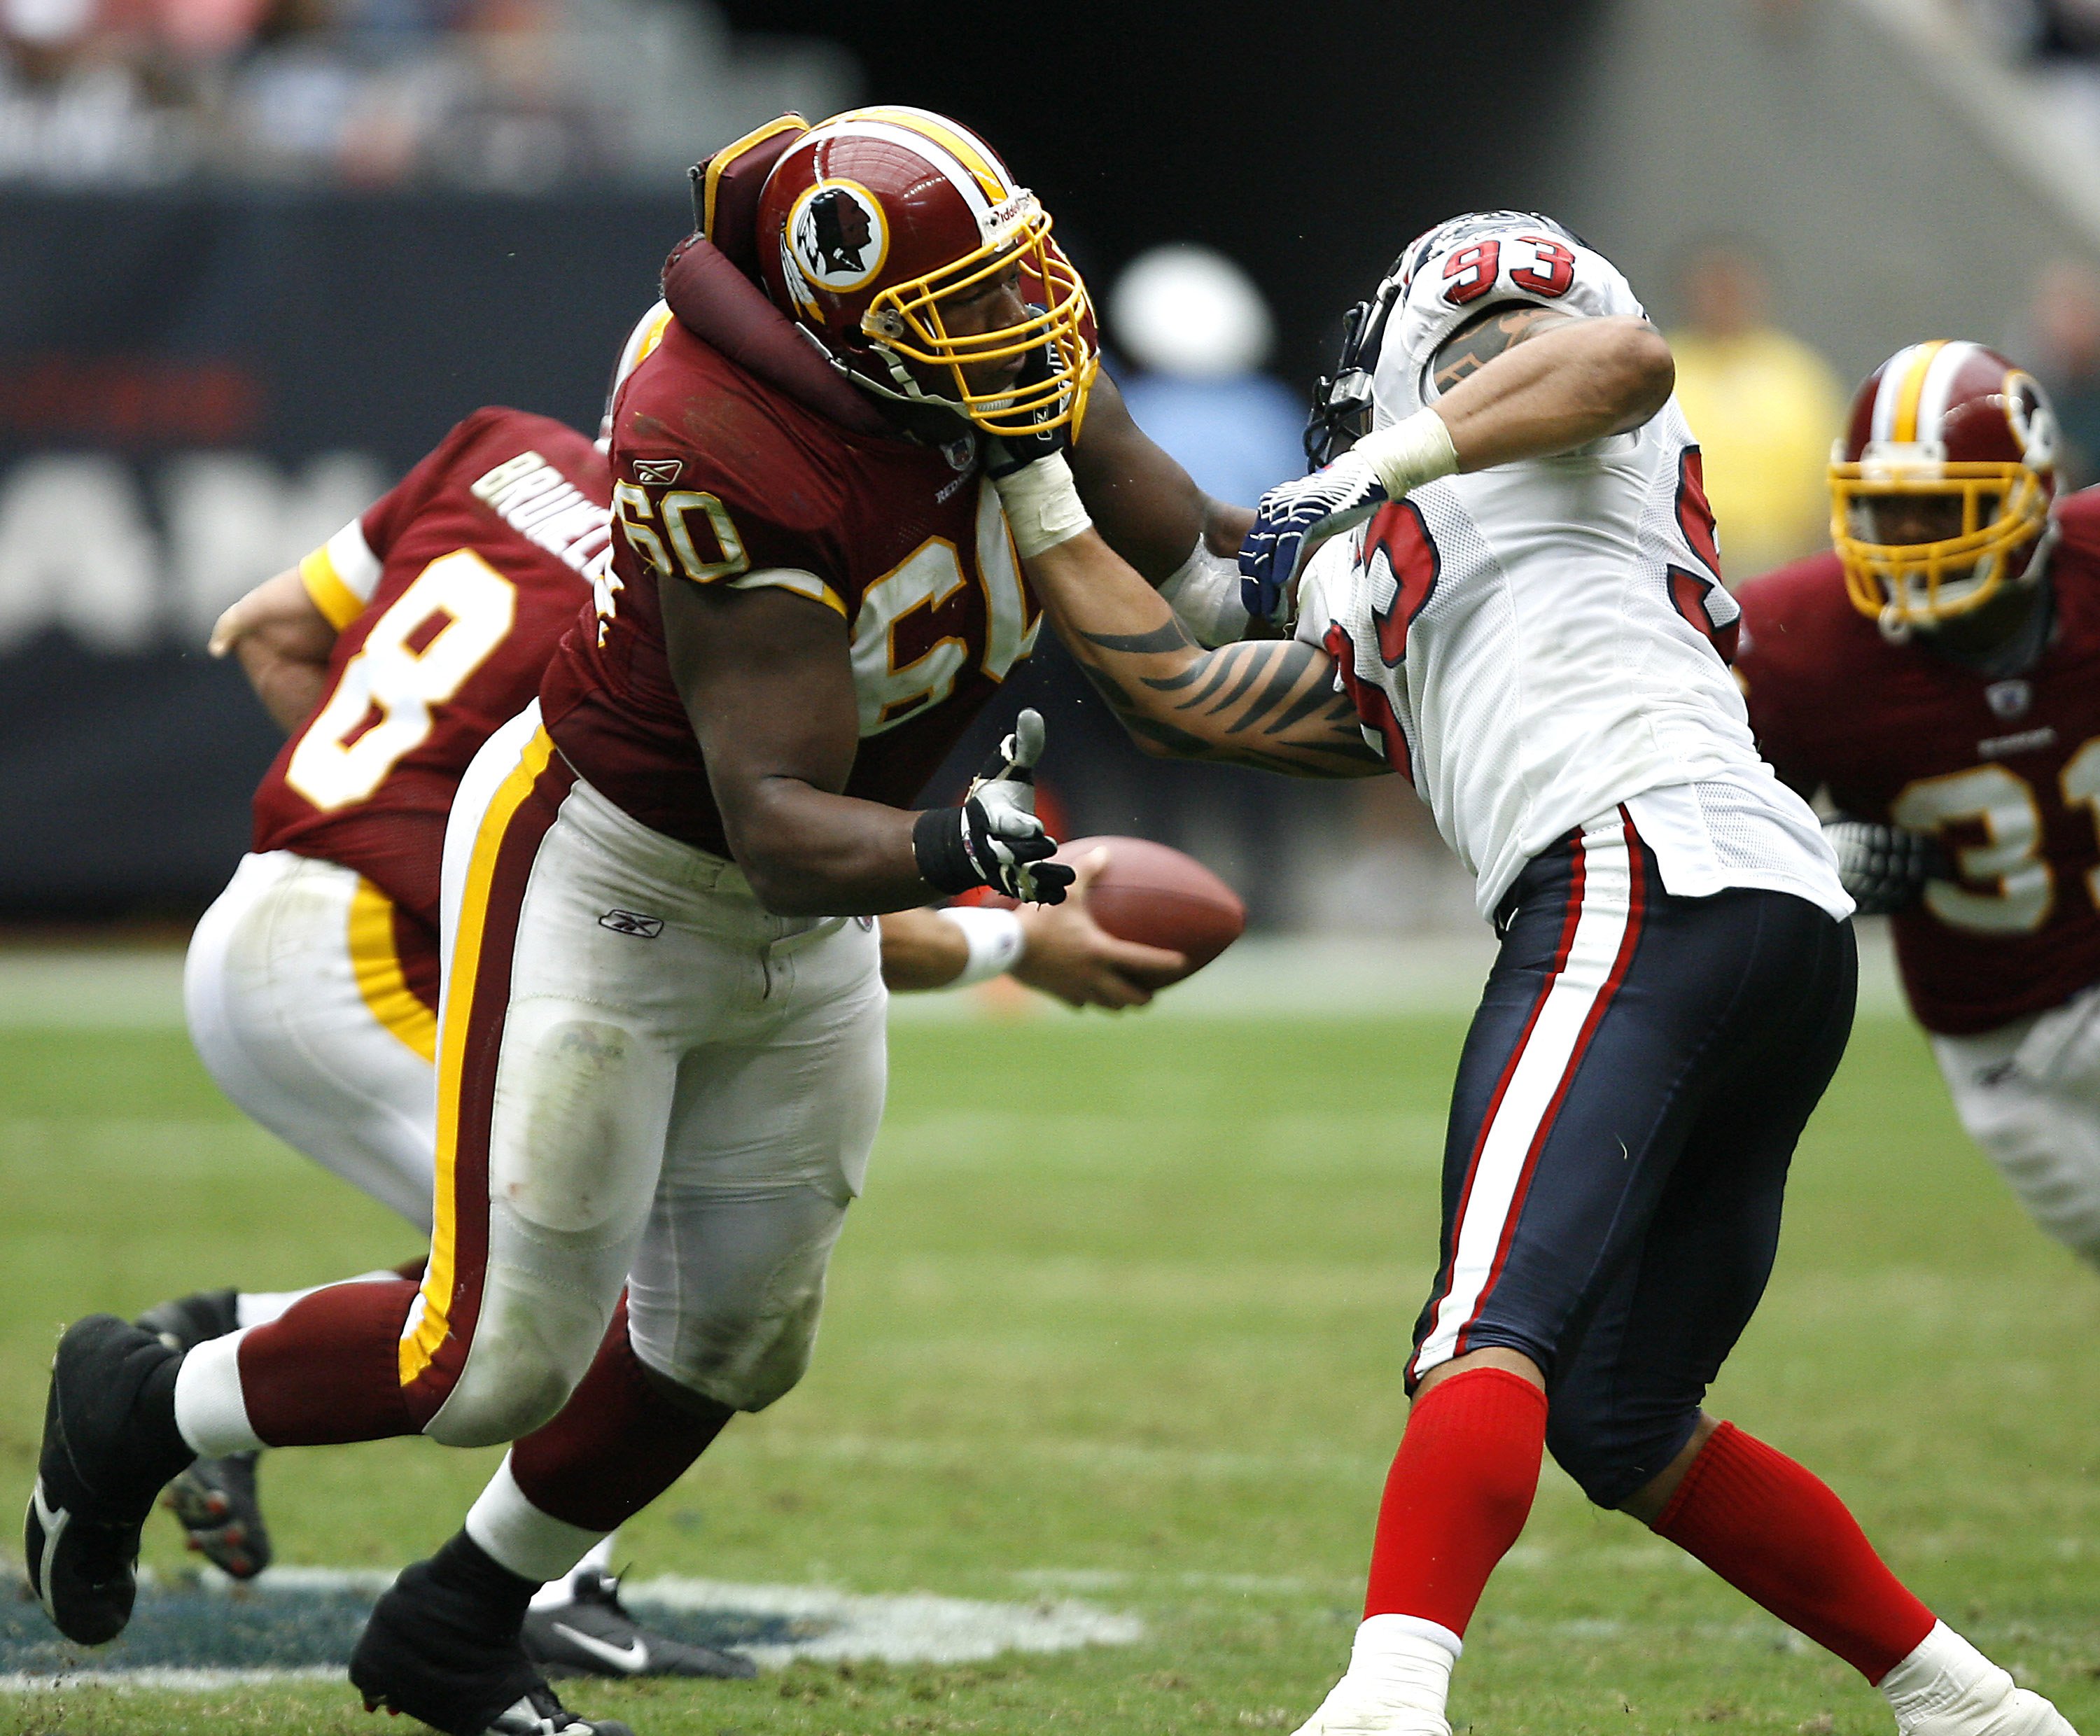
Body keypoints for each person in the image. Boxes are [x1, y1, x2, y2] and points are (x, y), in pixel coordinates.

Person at [26, 105, 1243, 1736]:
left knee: (731, 1328)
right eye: (961, 306)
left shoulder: (520, 454)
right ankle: (151, 1398)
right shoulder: (718, 485)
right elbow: (771, 826)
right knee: (504, 1348)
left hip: (566, 897)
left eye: (1012, 282)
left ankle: (461, 1615)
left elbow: (270, 628)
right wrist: (988, 884)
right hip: (560, 896)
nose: (1018, 328)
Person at [981, 213, 2077, 1736]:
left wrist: (1372, 465)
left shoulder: (1547, 446)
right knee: (1626, 1416)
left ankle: (1388, 1702)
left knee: (1483, 1326)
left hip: (1637, 869)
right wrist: (1038, 435)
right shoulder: (1397, 577)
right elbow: (1182, 671)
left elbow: (1616, 359)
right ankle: (1972, 1705)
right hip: (1761, 918)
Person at [149, 391, 1180, 1678]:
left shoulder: (496, 452)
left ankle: (217, 1350)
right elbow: (760, 898)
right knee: (611, 1285)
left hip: (286, 906)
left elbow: (265, 627)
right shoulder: (684, 605)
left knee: (567, 1267)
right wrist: (1014, 943)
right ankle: (520, 1580)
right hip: (356, 957)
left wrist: (371, 805)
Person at [1735, 339, 2100, 1272]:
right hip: (2010, 1044)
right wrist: (1807, 860)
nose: (1907, 537)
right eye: (1882, 508)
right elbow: (1693, 836)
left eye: (1941, 507)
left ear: (2030, 501)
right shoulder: (1799, 645)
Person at [1668, 239, 1846, 577]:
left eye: (1733, 288)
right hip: (1682, 556)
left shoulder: (1796, 372)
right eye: (1711, 290)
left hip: (1779, 559)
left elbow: (1828, 470)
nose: (1722, 300)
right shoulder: (1666, 369)